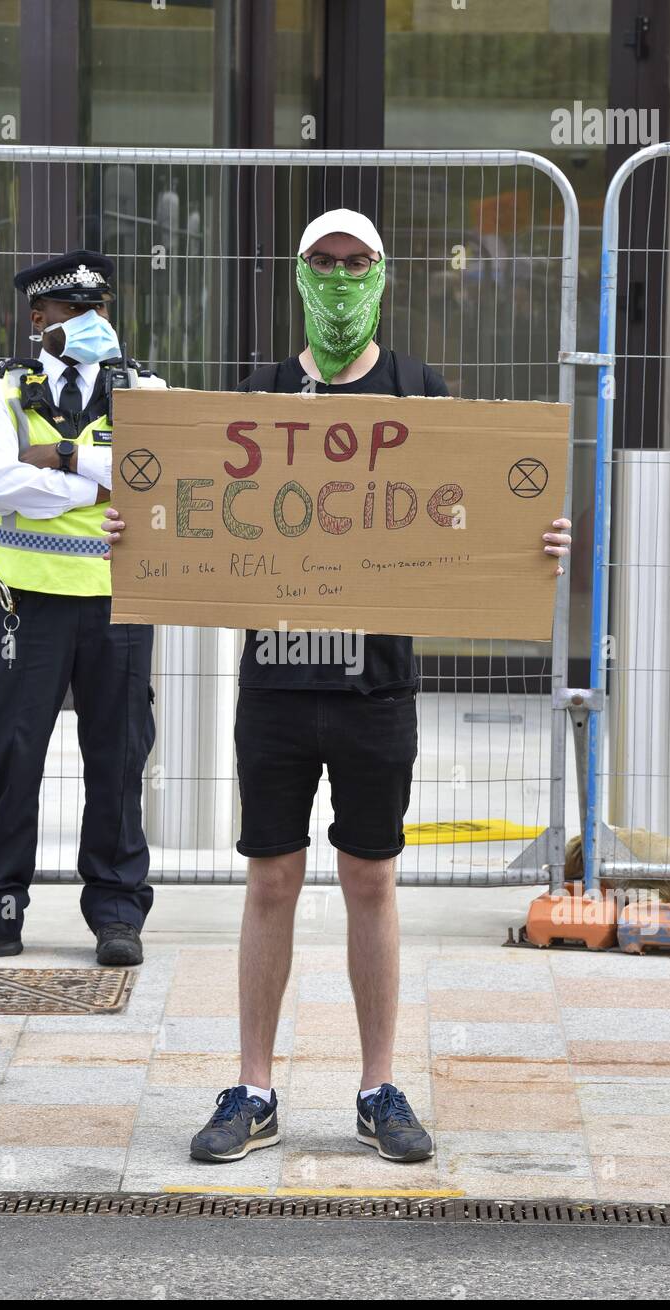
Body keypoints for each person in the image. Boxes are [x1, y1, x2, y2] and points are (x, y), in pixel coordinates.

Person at [102, 209, 572, 1162]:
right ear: (301, 274)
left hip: (377, 689)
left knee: (371, 880)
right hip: (274, 687)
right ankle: (252, 1088)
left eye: (359, 262)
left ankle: (379, 1087)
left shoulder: (416, 389)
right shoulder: (264, 394)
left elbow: (463, 513)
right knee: (270, 879)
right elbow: (199, 514)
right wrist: (136, 537)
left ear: (384, 275)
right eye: (326, 261)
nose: (343, 277)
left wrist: (535, 546)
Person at [0, 251, 167, 969]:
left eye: (101, 309)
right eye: (75, 312)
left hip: (119, 601)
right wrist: (98, 487)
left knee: (118, 756)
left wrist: (56, 459)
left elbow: (162, 474)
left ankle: (118, 914)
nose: (93, 324)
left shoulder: (145, 389)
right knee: (11, 753)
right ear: (39, 319)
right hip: (26, 601)